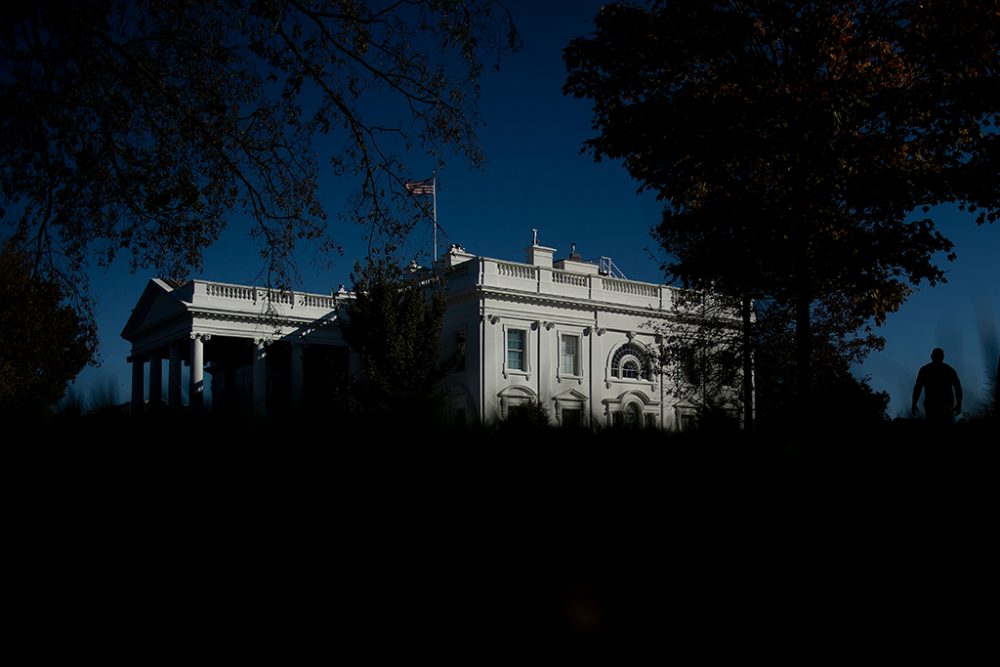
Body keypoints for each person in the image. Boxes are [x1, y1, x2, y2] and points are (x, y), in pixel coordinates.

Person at [911, 348, 963, 425]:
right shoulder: (949, 370)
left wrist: (914, 404)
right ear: (943, 357)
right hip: (946, 406)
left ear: (932, 356)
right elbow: (958, 388)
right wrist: (959, 404)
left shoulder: (925, 370)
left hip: (931, 406)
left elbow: (917, 388)